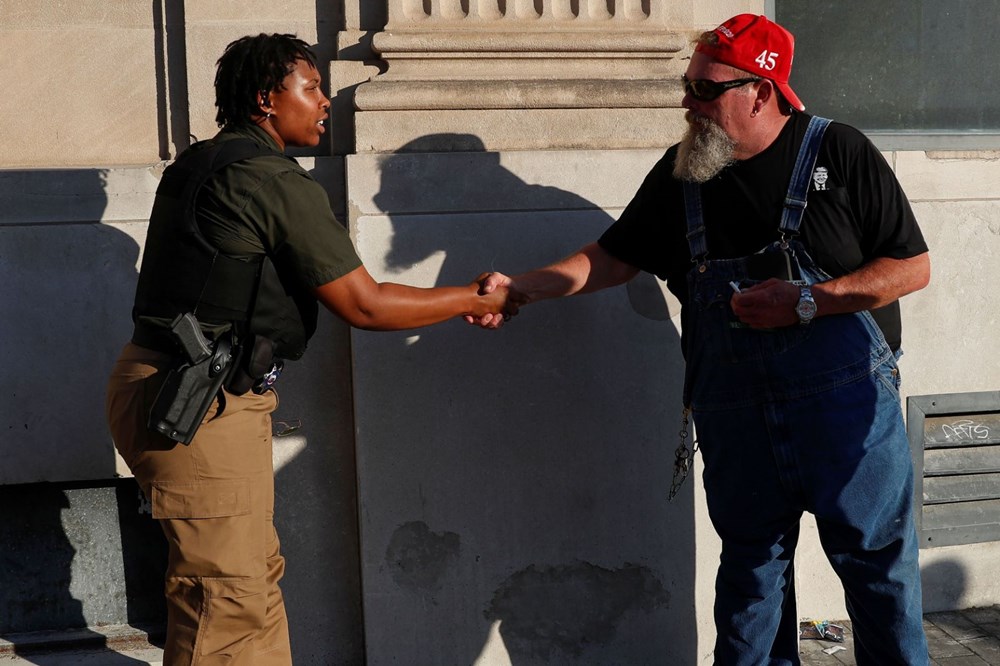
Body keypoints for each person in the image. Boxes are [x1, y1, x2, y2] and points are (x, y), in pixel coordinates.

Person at [474, 14, 931, 666]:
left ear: (761, 92)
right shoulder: (681, 174)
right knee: (750, 585)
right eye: (688, 86)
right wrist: (520, 286)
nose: (687, 104)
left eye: (705, 90)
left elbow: (910, 267)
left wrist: (807, 300)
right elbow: (612, 257)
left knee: (878, 575)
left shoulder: (840, 152)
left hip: (847, 414)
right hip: (737, 417)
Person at [105, 33, 507, 665]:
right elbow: (365, 304)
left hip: (171, 390)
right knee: (229, 606)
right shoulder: (270, 182)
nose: (326, 101)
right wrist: (475, 299)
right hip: (200, 408)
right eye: (311, 87)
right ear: (268, 99)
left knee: (246, 590)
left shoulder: (201, 163)